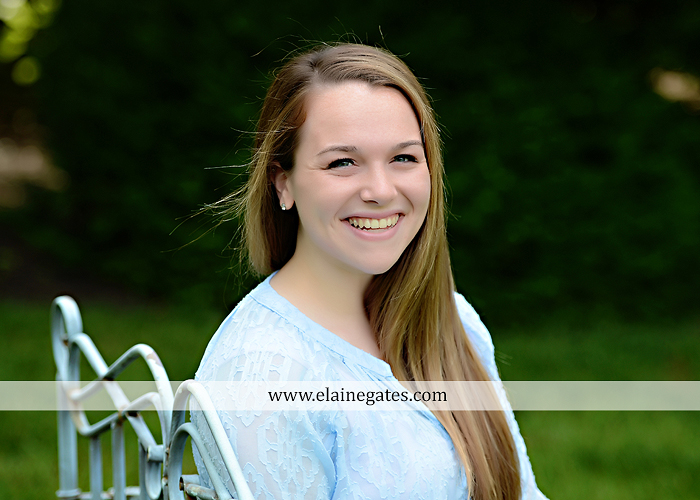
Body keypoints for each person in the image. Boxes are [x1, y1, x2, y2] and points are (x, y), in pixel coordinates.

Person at [192, 43, 548, 500]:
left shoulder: (454, 320)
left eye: (403, 158)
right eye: (343, 162)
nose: (380, 190)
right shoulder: (263, 375)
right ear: (283, 183)